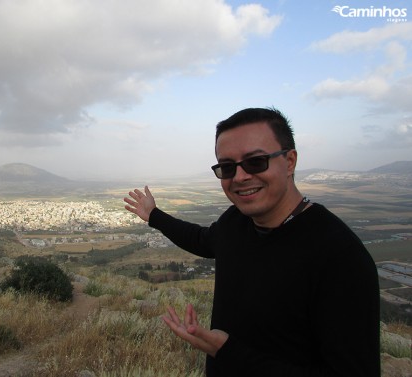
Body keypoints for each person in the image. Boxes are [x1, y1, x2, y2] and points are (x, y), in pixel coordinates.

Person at [124, 107, 380, 376]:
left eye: (255, 162)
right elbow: (201, 240)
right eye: (226, 167)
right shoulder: (236, 222)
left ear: (290, 161)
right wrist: (153, 215)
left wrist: (228, 352)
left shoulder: (339, 256)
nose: (240, 177)